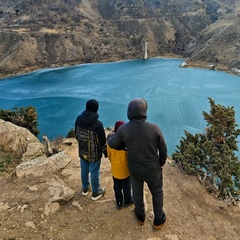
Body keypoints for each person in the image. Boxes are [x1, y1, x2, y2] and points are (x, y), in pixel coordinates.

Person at [107, 98, 167, 230]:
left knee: (137, 192)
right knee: (157, 193)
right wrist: (161, 163)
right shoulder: (154, 128)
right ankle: (158, 220)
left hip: (135, 168)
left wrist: (109, 136)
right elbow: (163, 149)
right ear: (144, 111)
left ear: (129, 111)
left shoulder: (123, 129)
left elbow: (113, 143)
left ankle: (140, 217)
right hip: (153, 168)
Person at [75, 99, 107, 201]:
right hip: (94, 153)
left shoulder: (79, 119)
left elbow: (76, 134)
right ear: (96, 109)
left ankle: (85, 188)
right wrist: (105, 152)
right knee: (94, 171)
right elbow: (102, 141)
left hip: (82, 150)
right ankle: (96, 192)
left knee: (84, 169)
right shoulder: (98, 125)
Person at [107, 120, 134, 210]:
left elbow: (109, 157)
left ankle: (119, 202)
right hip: (125, 171)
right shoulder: (126, 145)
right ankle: (128, 200)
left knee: (117, 187)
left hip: (115, 170)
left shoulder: (110, 144)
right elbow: (130, 159)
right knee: (127, 186)